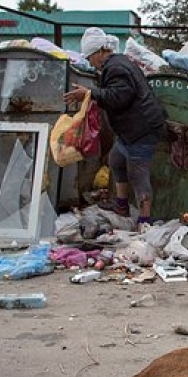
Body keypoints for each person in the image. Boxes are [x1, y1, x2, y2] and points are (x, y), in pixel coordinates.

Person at [63, 27, 166, 229]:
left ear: (101, 51)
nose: (89, 62)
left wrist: (90, 93)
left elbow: (119, 97)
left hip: (141, 129)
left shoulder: (116, 68)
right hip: (129, 130)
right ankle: (121, 206)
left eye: (90, 57)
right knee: (116, 160)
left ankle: (144, 221)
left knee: (138, 174)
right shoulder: (117, 63)